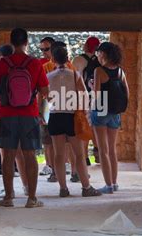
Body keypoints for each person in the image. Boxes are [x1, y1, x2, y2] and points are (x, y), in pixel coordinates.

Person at [0, 28, 49, 208]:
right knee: (30, 155)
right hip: (29, 116)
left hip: (7, 115)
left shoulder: (2, 64)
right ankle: (32, 198)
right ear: (26, 42)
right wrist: (40, 110)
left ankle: (8, 197)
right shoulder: (35, 64)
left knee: (8, 156)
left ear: (11, 42)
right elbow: (46, 92)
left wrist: (4, 89)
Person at [47, 44, 101, 198]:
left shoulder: (48, 77)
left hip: (55, 115)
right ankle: (86, 187)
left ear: (53, 59)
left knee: (58, 155)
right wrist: (84, 112)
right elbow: (84, 95)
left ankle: (63, 188)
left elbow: (46, 96)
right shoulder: (75, 75)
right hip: (72, 116)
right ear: (68, 59)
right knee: (78, 154)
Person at [0, 43, 29, 197]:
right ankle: (27, 187)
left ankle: (9, 191)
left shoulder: (0, 69)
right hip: (19, 116)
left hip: (1, 116)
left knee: (6, 156)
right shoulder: (22, 68)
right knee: (19, 154)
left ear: (1, 56)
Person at [90, 41, 129, 194]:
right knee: (112, 149)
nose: (97, 56)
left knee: (103, 150)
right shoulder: (120, 71)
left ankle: (108, 185)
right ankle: (115, 182)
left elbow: (97, 95)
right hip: (115, 112)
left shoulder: (99, 71)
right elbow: (127, 93)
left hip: (101, 110)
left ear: (103, 54)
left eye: (98, 53)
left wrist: (92, 87)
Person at [73, 36, 101, 165]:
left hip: (83, 98)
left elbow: (75, 81)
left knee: (84, 127)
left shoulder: (78, 60)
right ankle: (98, 153)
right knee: (97, 126)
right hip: (99, 99)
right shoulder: (100, 60)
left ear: (86, 45)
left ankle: (84, 157)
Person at [38, 36, 57, 181]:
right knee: (48, 141)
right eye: (42, 49)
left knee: (60, 141)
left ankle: (60, 167)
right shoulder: (40, 65)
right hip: (48, 107)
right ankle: (51, 167)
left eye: (46, 49)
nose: (44, 52)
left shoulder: (47, 67)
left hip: (57, 107)